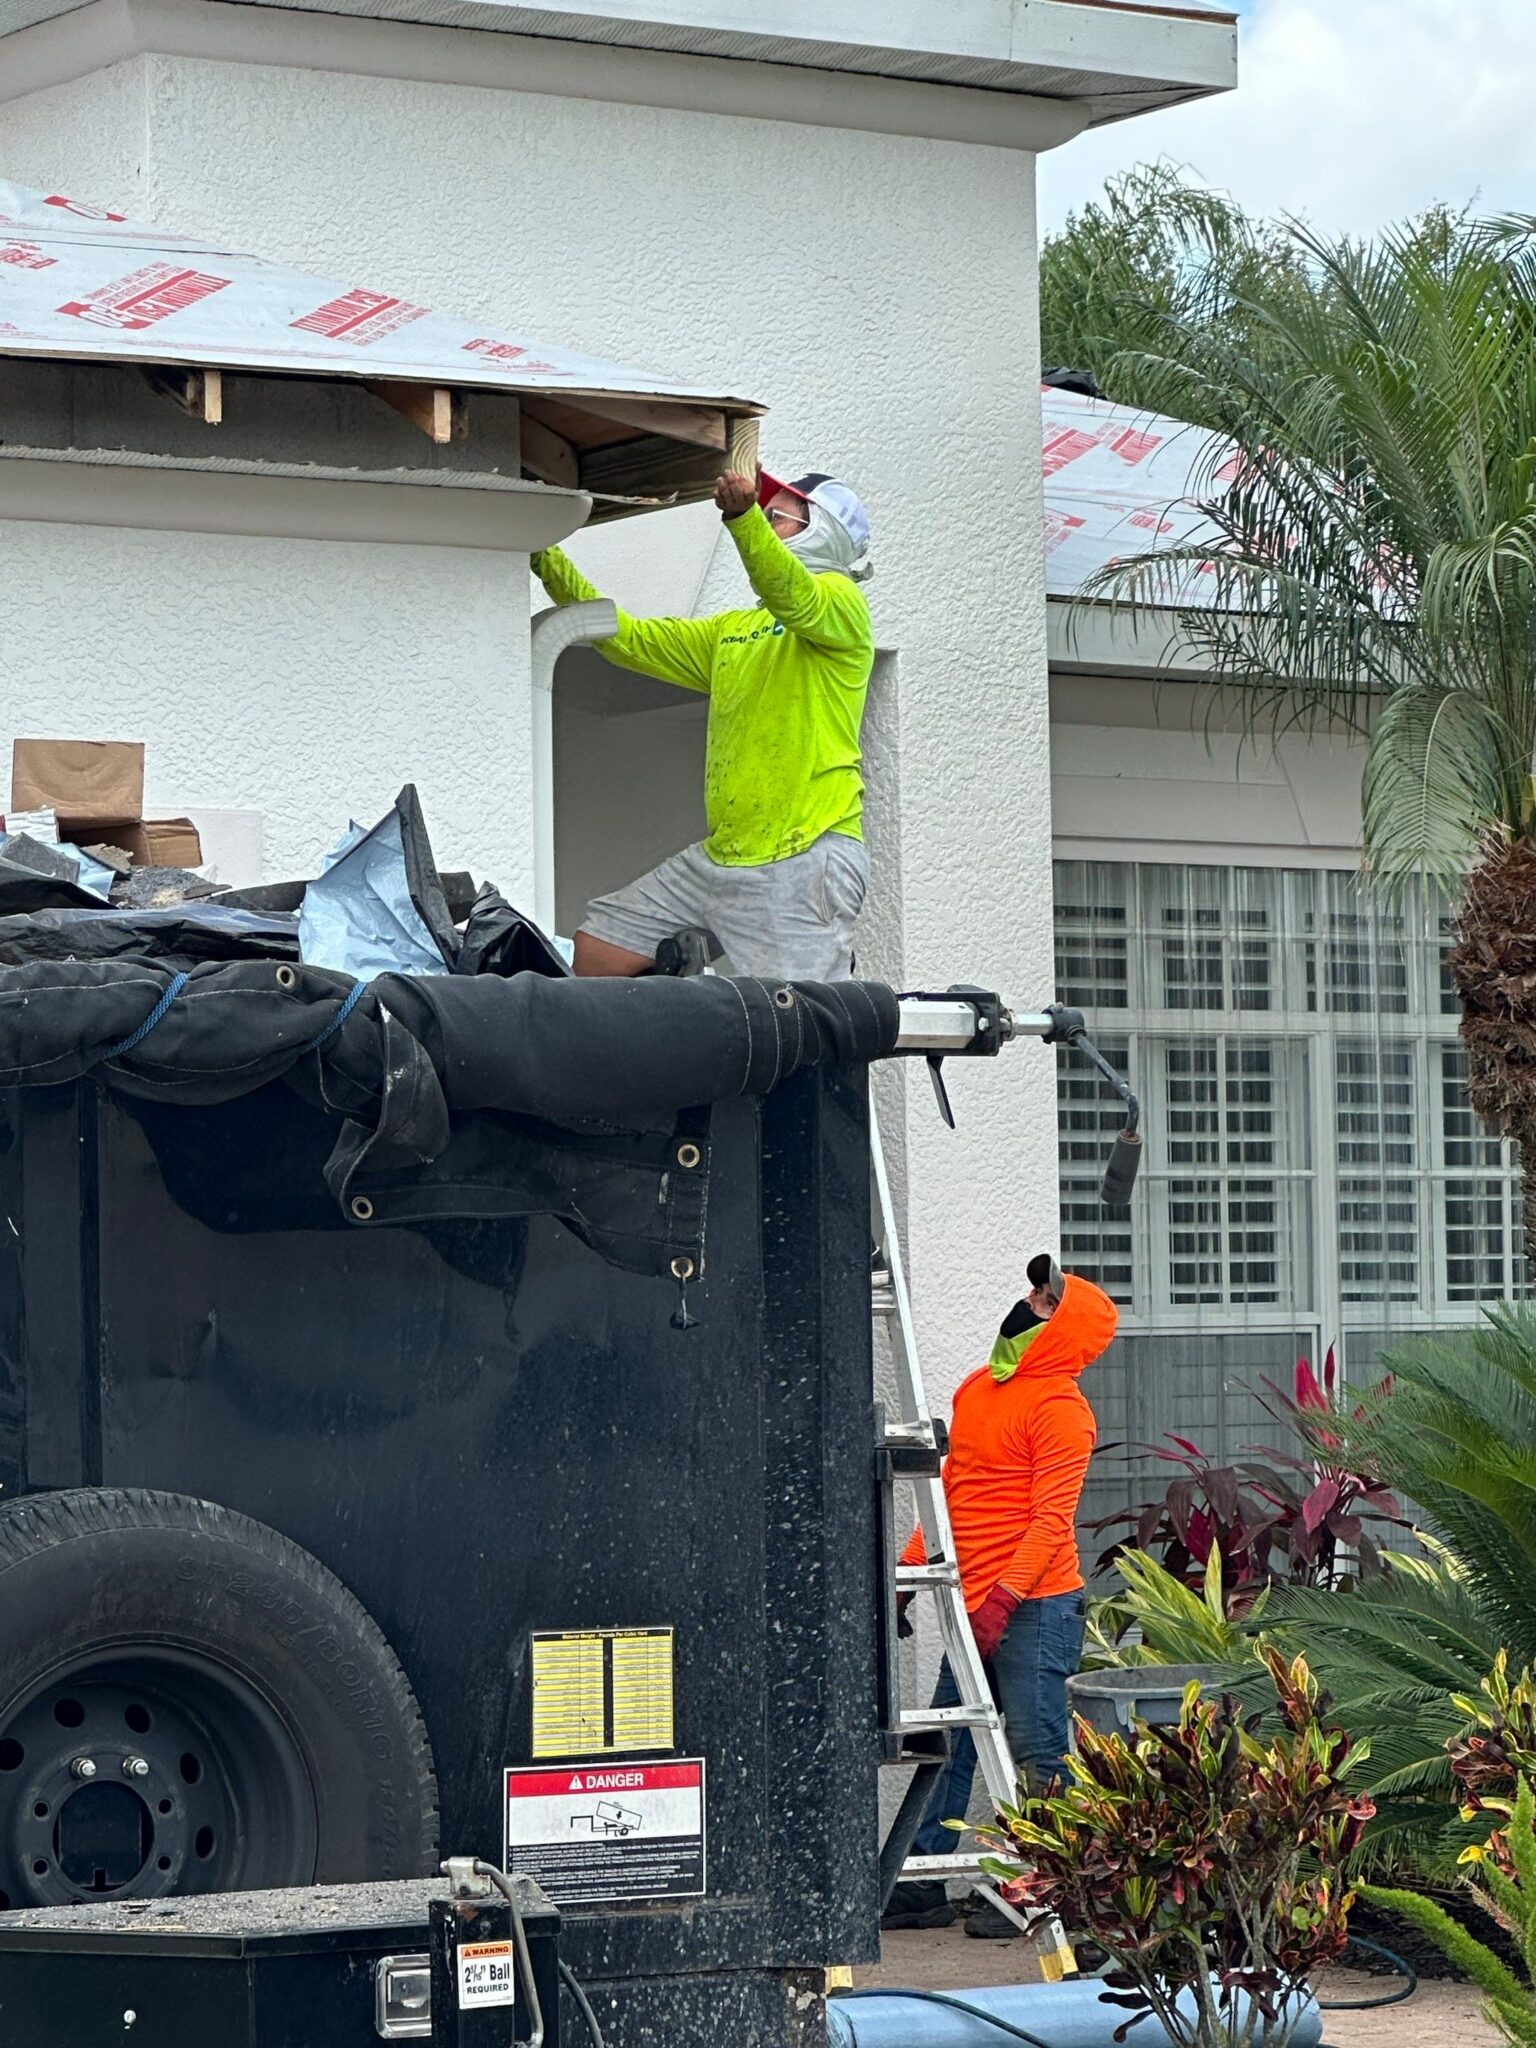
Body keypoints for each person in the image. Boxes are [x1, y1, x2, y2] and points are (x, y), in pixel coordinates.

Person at [529, 466, 874, 981]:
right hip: (725, 855)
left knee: (805, 1028)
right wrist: (541, 552)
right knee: (600, 949)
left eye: (777, 515)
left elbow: (793, 596)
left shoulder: (842, 604)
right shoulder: (735, 629)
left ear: (824, 531)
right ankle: (677, 1051)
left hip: (804, 854)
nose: (765, 518)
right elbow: (626, 639)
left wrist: (740, 519)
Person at [882, 1254, 1119, 1936]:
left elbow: (1051, 1523)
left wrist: (1002, 1602)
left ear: (1064, 1330)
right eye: (1034, 1291)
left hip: (1036, 1608)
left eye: (1044, 1301)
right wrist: (905, 1571)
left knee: (1040, 1752)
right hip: (972, 1603)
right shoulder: (977, 1388)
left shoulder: (1064, 1413)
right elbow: (952, 1491)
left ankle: (1056, 1896)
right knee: (944, 1743)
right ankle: (922, 1882)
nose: (1026, 1302)